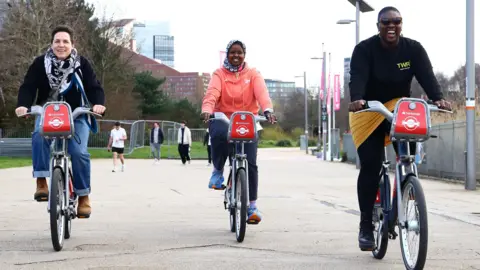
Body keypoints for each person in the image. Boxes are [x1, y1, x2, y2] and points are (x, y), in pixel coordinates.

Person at [347, 6, 452, 251]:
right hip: (369, 111)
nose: (391, 26)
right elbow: (358, 76)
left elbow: (427, 76)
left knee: (408, 155)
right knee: (371, 166)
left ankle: (407, 186)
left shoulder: (413, 49)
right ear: (378, 25)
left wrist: (438, 98)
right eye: (386, 22)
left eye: (397, 21)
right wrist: (358, 98)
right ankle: (365, 226)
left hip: (399, 111)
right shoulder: (364, 50)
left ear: (401, 24)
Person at [15, 25, 106, 218]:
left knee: (78, 152)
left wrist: (98, 104)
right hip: (48, 112)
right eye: (57, 41)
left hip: (76, 114)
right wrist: (23, 105)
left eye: (65, 41)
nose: (61, 45)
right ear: (51, 43)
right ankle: (41, 180)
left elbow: (94, 87)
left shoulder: (82, 64)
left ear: (72, 45)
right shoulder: (40, 63)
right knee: (39, 136)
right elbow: (28, 86)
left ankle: (83, 196)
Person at [201, 40, 276, 224]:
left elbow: (262, 93)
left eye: (240, 52)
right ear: (227, 54)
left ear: (244, 55)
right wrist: (207, 109)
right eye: (232, 52)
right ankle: (218, 171)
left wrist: (268, 110)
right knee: (218, 134)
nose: (236, 55)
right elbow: (212, 93)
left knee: (250, 163)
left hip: (247, 119)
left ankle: (252, 207)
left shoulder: (253, 74)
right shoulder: (219, 74)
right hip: (223, 117)